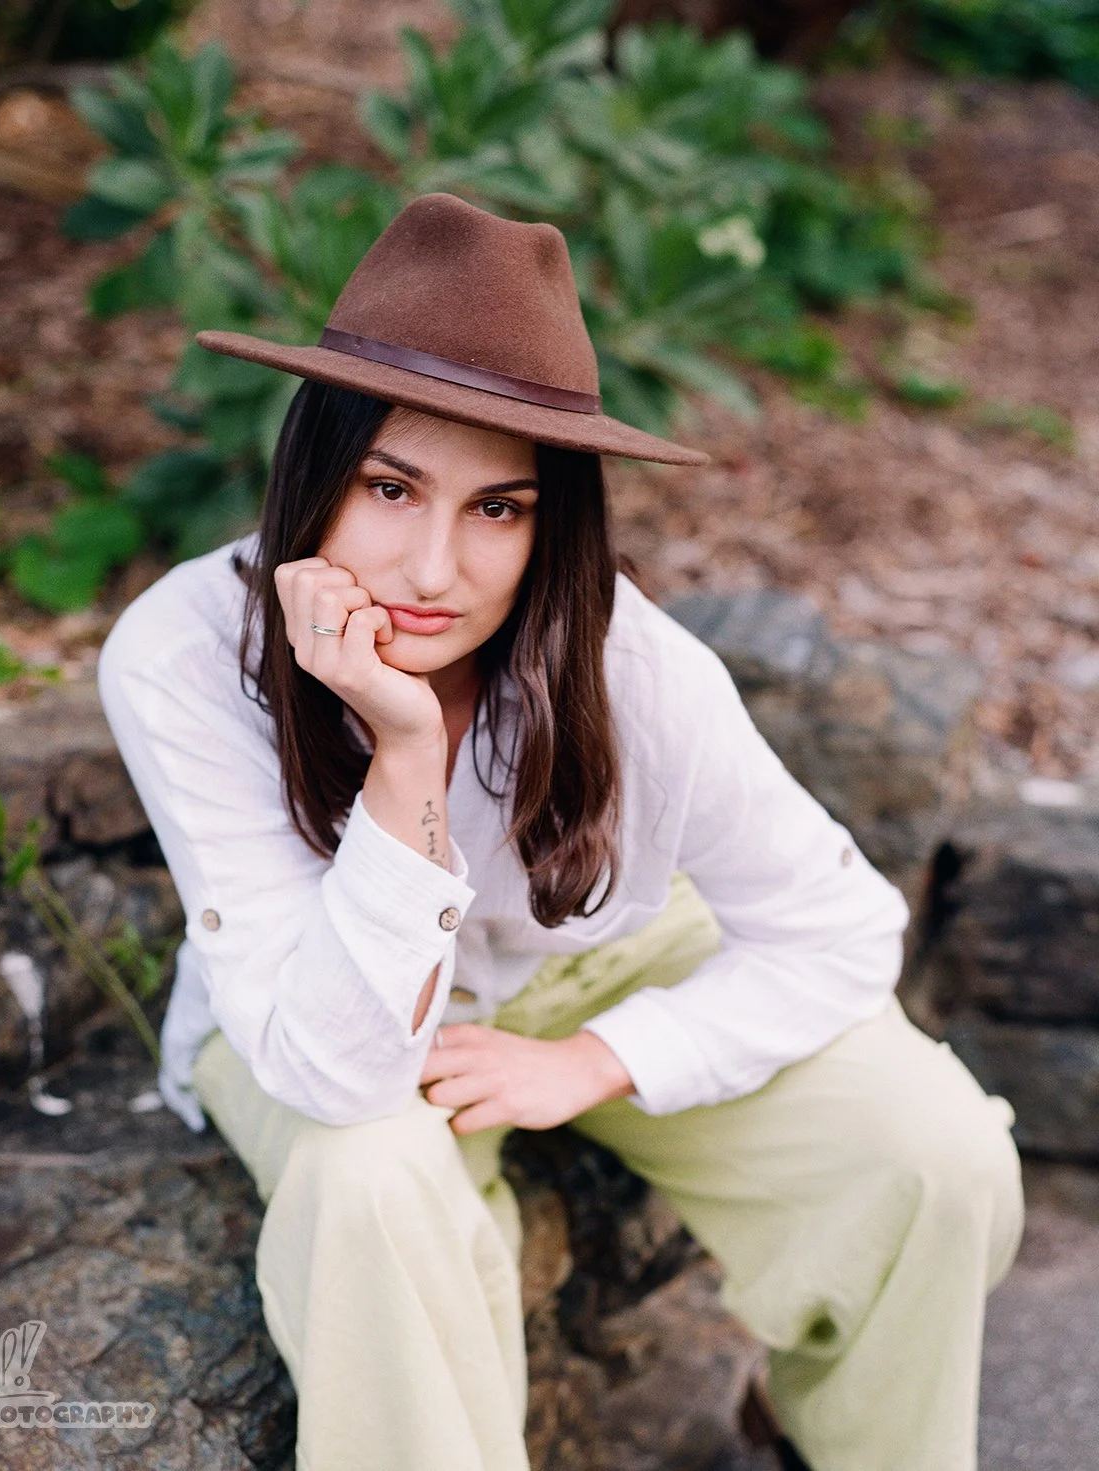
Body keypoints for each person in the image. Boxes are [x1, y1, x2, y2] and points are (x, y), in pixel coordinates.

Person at [96, 192, 1024, 1471]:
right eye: (389, 486)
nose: (431, 568)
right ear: (316, 471)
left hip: (599, 956)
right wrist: (407, 749)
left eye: (499, 508)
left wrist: (601, 1055)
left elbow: (843, 927)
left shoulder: (634, 670)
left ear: (555, 524)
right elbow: (335, 1071)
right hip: (322, 996)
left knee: (939, 1151)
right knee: (367, 1187)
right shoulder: (186, 655)